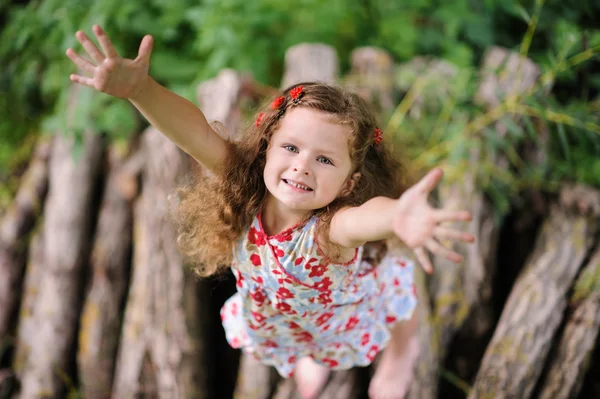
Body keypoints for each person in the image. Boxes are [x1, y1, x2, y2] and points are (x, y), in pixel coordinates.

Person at [66, 25, 475, 399]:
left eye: (326, 160)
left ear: (349, 184)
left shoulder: (331, 230)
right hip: (284, 320)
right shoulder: (247, 189)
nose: (302, 166)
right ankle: (313, 356)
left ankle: (403, 350)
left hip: (345, 312)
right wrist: (142, 91)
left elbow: (367, 218)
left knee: (394, 298)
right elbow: (194, 134)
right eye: (292, 148)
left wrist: (398, 215)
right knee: (308, 342)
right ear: (266, 149)